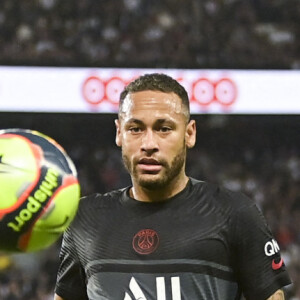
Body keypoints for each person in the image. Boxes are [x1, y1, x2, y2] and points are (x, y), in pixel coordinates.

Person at [54, 73, 291, 300]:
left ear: (189, 133)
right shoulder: (84, 219)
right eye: (135, 128)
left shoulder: (235, 214)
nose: (148, 144)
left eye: (163, 128)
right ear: (119, 133)